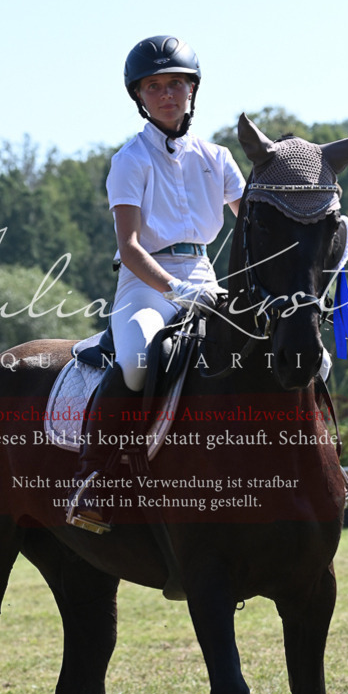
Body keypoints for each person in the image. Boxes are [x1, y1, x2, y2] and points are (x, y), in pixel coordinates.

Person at [67, 35, 246, 533]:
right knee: (137, 361)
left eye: (176, 84)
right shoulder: (130, 160)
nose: (167, 94)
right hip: (146, 285)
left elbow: (252, 222)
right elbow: (129, 246)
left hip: (207, 278)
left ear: (192, 90)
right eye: (154, 86)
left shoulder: (218, 158)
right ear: (139, 97)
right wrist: (174, 289)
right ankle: (95, 478)